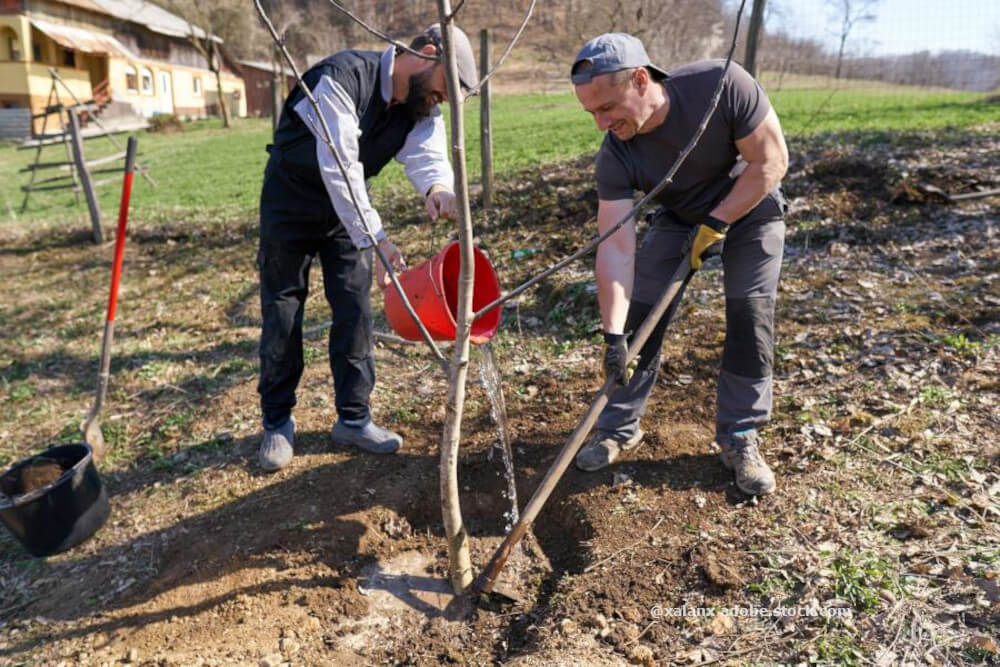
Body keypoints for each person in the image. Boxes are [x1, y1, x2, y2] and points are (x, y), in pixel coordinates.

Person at [569, 33, 789, 495]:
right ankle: (618, 428)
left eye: (607, 108)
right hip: (678, 216)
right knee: (638, 316)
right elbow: (615, 246)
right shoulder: (616, 154)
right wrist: (613, 332)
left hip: (750, 205)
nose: (600, 124)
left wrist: (719, 221)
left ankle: (741, 435)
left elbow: (770, 162)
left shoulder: (721, 84)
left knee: (750, 314)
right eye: (591, 113)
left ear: (641, 79)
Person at [256, 24, 478, 472]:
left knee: (354, 308)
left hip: (345, 215)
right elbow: (340, 166)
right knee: (283, 312)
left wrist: (437, 186)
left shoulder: (417, 106)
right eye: (440, 93)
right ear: (428, 54)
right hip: (290, 203)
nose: (437, 104)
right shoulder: (339, 78)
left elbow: (426, 154)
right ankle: (277, 421)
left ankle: (353, 418)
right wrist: (375, 238)